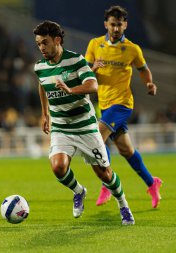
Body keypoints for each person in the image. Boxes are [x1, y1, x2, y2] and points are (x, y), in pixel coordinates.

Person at [33, 20, 134, 225]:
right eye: (38, 44)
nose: (41, 48)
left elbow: (92, 84)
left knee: (104, 173)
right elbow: (42, 85)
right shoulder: (40, 67)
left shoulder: (76, 60)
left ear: (57, 40)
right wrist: (45, 114)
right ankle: (79, 191)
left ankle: (123, 204)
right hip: (61, 126)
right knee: (58, 167)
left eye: (45, 42)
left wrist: (71, 90)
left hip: (85, 125)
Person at [85, 6, 163, 208]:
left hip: (123, 104)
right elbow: (85, 72)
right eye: (113, 24)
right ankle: (152, 183)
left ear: (125, 25)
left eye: (119, 24)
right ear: (106, 24)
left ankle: (107, 183)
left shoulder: (132, 49)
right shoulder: (95, 45)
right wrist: (94, 68)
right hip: (104, 104)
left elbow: (144, 70)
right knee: (126, 150)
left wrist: (149, 83)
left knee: (97, 138)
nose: (116, 28)